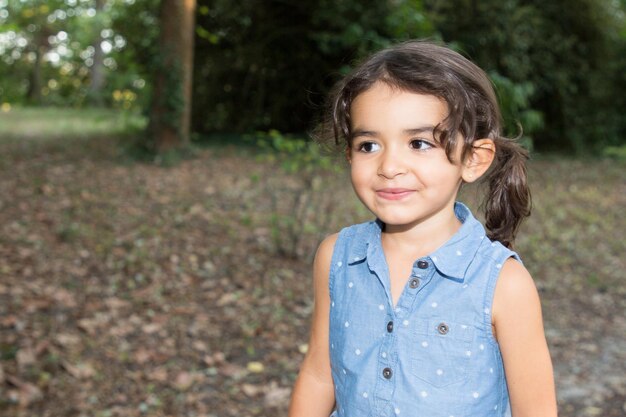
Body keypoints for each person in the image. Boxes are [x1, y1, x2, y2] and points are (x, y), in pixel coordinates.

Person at [288, 40, 557, 417]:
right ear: (349, 153)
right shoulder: (337, 257)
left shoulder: (503, 284)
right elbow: (320, 374)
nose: (389, 165)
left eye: (418, 143)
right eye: (368, 145)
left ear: (473, 159)